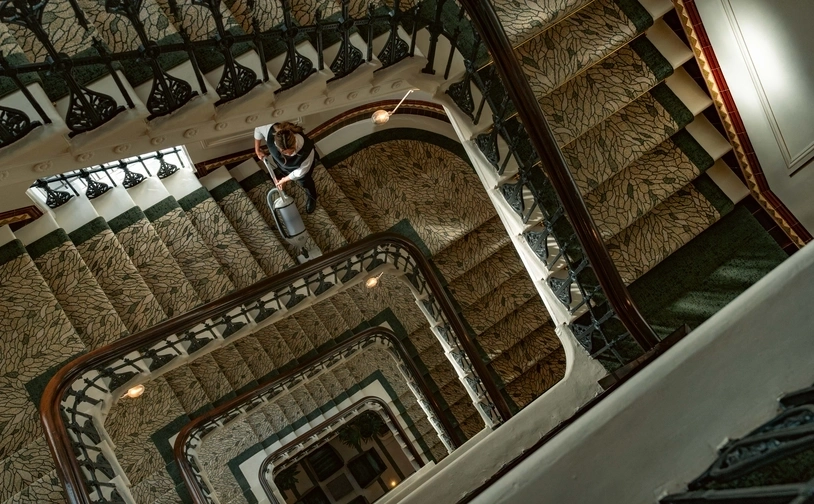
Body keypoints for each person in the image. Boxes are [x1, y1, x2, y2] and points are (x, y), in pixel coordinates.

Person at [254, 121, 318, 214]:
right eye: (285, 152)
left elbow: (300, 172)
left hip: (302, 169)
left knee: (305, 182)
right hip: (283, 166)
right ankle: (284, 172)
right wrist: (257, 150)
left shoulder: (307, 150)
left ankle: (313, 196)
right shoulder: (270, 130)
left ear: (295, 141)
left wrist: (284, 180)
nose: (289, 154)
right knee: (282, 169)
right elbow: (258, 129)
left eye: (292, 150)